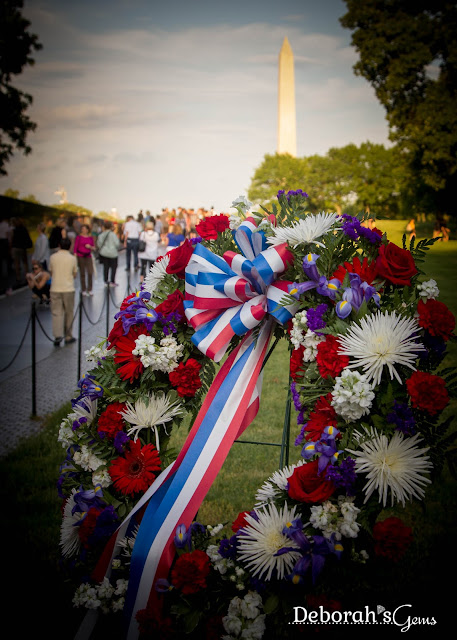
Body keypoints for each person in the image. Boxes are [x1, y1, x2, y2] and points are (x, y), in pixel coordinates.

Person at [49, 237, 78, 346]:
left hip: (55, 288)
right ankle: (68, 335)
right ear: (70, 246)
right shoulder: (72, 258)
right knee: (69, 312)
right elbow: (74, 274)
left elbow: (51, 271)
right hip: (68, 288)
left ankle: (57, 336)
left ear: (59, 245)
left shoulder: (53, 257)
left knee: (56, 312)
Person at [73, 224, 95, 296]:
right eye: (82, 229)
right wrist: (75, 253)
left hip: (88, 256)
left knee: (90, 272)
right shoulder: (79, 237)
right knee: (82, 273)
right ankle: (83, 289)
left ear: (87, 230)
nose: (83, 230)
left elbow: (94, 248)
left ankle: (90, 288)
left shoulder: (90, 238)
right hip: (80, 256)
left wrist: (90, 247)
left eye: (85, 229)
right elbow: (76, 246)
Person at [97, 220, 120, 286]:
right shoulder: (113, 235)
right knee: (113, 267)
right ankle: (112, 281)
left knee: (106, 267)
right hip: (113, 253)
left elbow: (99, 244)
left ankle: (106, 281)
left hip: (104, 253)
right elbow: (117, 244)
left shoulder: (101, 235)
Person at [10, 217, 33, 284]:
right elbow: (27, 238)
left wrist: (10, 248)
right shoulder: (24, 229)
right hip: (22, 248)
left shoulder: (14, 230)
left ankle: (18, 277)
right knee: (25, 263)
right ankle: (27, 276)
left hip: (15, 248)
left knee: (17, 263)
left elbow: (11, 239)